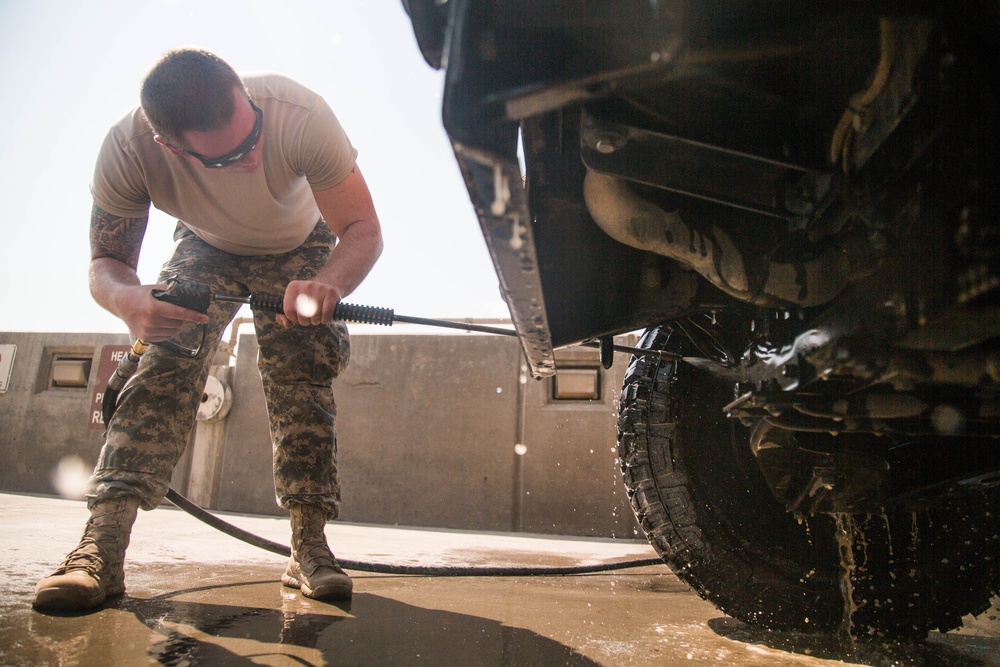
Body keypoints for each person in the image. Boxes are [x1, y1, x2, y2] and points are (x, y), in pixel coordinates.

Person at [32, 48, 383, 612]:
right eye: (227, 157)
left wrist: (330, 285)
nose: (248, 158)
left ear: (243, 96)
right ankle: (100, 548)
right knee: (161, 365)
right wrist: (128, 301)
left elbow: (363, 228)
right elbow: (104, 263)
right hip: (205, 248)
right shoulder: (128, 149)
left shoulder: (300, 114)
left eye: (252, 140)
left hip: (300, 247)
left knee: (304, 378)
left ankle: (309, 547)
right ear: (171, 146)